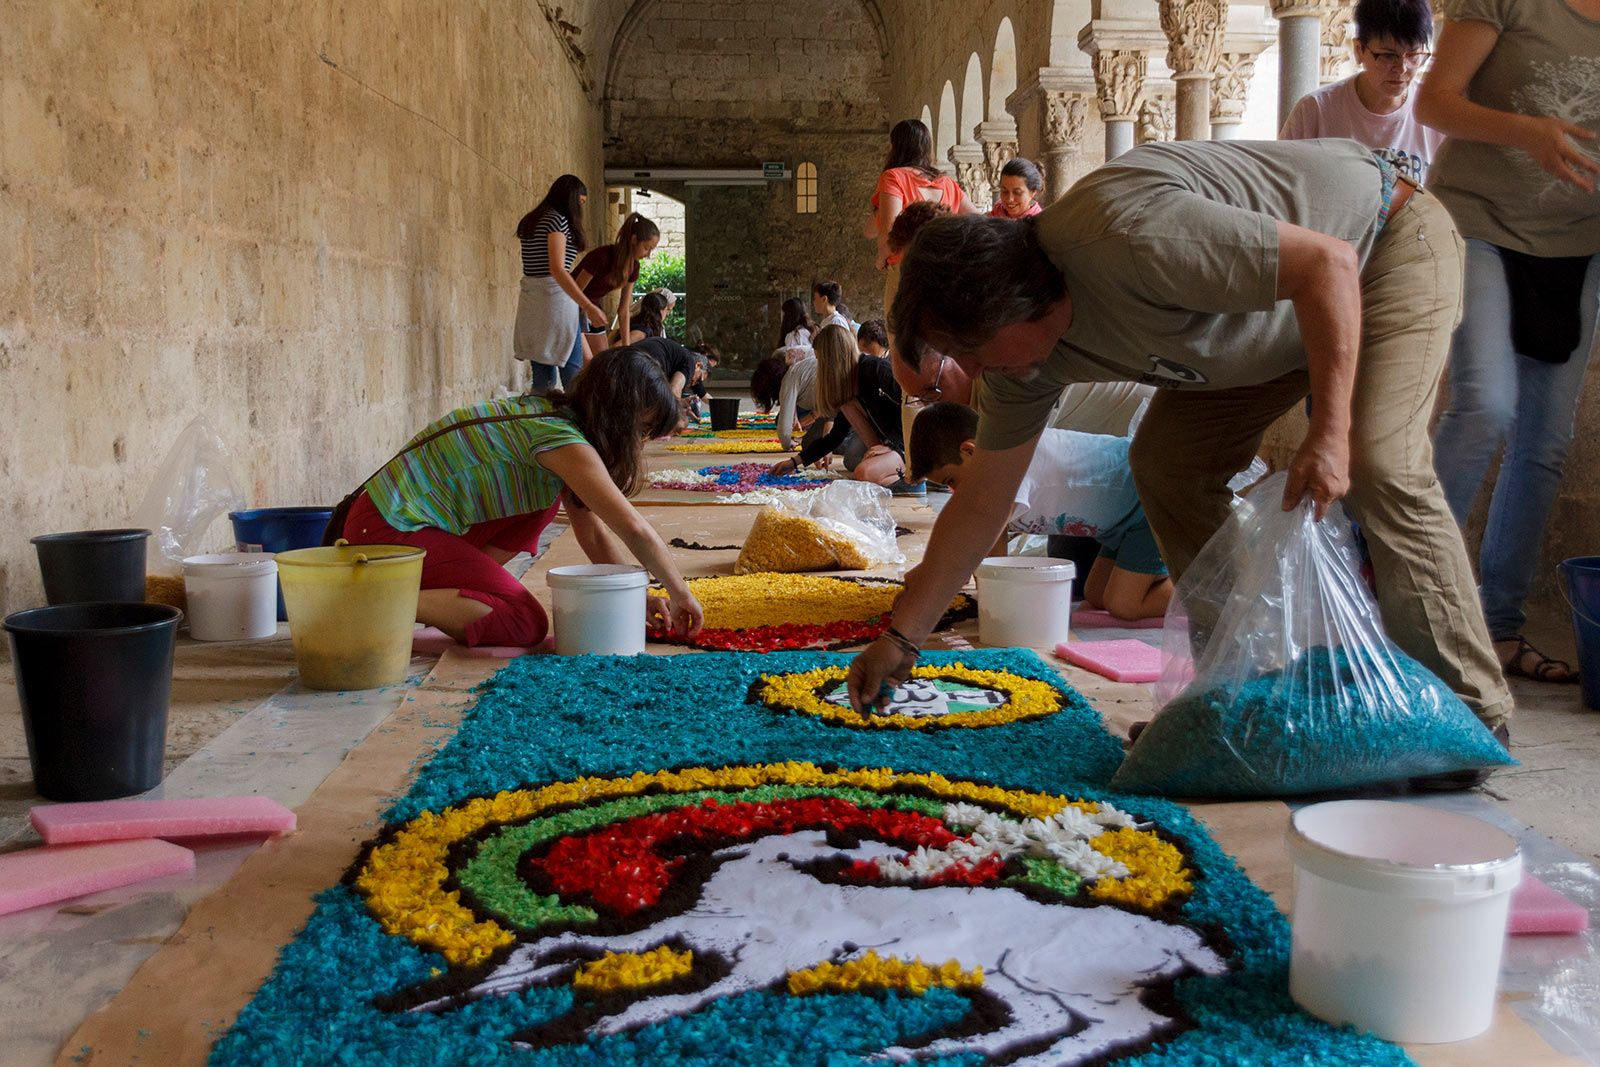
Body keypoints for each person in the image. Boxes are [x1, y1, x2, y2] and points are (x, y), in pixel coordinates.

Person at [846, 139, 1513, 789]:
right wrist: (902, 638)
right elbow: (982, 501)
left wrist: (1331, 431)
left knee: (1380, 459)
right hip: (1269, 326)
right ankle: (1246, 699)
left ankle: (1475, 711)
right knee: (1168, 462)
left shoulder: (1130, 238)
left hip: (1382, 247)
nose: (981, 373)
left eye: (980, 352)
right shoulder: (1021, 364)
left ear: (1012, 303)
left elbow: (1328, 265)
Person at [1418, 0, 1600, 683]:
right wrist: (1528, 132)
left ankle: (1498, 628)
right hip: (1481, 223)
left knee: (1547, 439)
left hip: (1582, 242)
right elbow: (1435, 101)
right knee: (1486, 404)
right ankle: (1410, 611)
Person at [337, 347, 704, 648]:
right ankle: (375, 600)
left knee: (539, 506)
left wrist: (634, 594)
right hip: (388, 532)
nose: (640, 443)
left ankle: (436, 593)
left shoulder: (548, 415)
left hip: (386, 520)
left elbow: (592, 532)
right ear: (618, 417)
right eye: (641, 430)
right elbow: (633, 527)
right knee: (523, 622)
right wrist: (680, 591)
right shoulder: (564, 443)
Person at [911, 402, 1172, 621]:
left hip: (1150, 500)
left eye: (951, 481)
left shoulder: (1009, 467)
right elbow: (991, 554)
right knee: (1096, 593)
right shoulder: (996, 468)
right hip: (1122, 523)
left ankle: (1200, 591)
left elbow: (977, 545)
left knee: (1123, 604)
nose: (955, 492)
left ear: (969, 451)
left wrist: (930, 580)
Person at [1280, 0, 1443, 183]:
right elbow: (1281, 185)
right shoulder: (1314, 111)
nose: (1402, 68)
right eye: (1388, 56)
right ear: (1359, 50)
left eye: (1413, 56)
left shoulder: (1436, 112)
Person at [872, 118, 981, 348]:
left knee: (903, 344)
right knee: (939, 345)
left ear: (896, 146)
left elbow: (889, 231)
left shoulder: (894, 177)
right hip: (942, 271)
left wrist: (881, 259)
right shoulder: (947, 183)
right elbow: (977, 221)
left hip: (906, 269)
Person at [769, 323, 909, 488]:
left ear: (833, 359)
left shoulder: (876, 369)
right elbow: (836, 436)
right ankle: (899, 473)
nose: (819, 367)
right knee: (861, 467)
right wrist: (795, 462)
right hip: (888, 444)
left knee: (863, 473)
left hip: (907, 444)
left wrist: (891, 444)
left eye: (821, 360)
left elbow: (909, 407)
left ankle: (912, 478)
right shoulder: (849, 386)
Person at [515, 175, 606, 395]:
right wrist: (588, 306)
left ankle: (541, 423)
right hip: (555, 301)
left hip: (532, 301)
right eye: (581, 203)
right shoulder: (557, 220)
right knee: (572, 373)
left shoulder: (531, 220)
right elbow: (557, 269)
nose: (581, 209)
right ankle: (574, 424)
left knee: (542, 379)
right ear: (572, 199)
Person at [574, 212, 660, 359]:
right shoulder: (601, 256)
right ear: (634, 239)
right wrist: (588, 309)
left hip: (592, 310)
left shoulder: (634, 267)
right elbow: (574, 290)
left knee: (604, 361)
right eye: (647, 248)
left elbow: (624, 309)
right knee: (588, 363)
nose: (648, 254)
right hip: (572, 307)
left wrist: (627, 347)